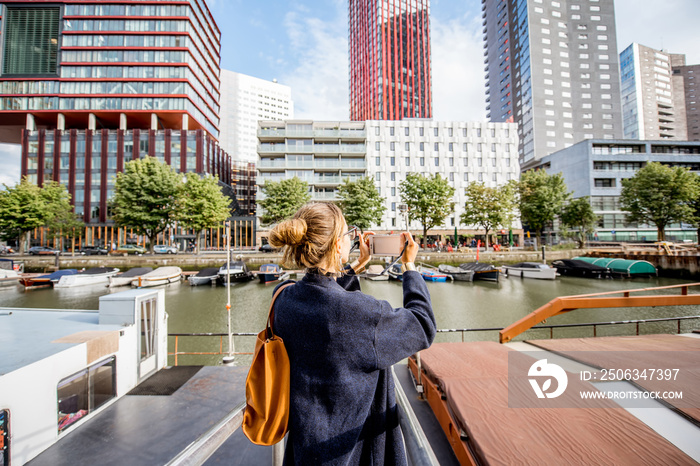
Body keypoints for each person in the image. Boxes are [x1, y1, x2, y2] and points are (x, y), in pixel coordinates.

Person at [267, 202, 436, 465]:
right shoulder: (365, 313)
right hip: (352, 451)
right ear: (336, 245)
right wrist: (410, 267)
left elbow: (324, 299)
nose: (352, 240)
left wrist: (358, 265)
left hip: (304, 449)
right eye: (348, 234)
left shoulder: (283, 300)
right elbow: (423, 325)